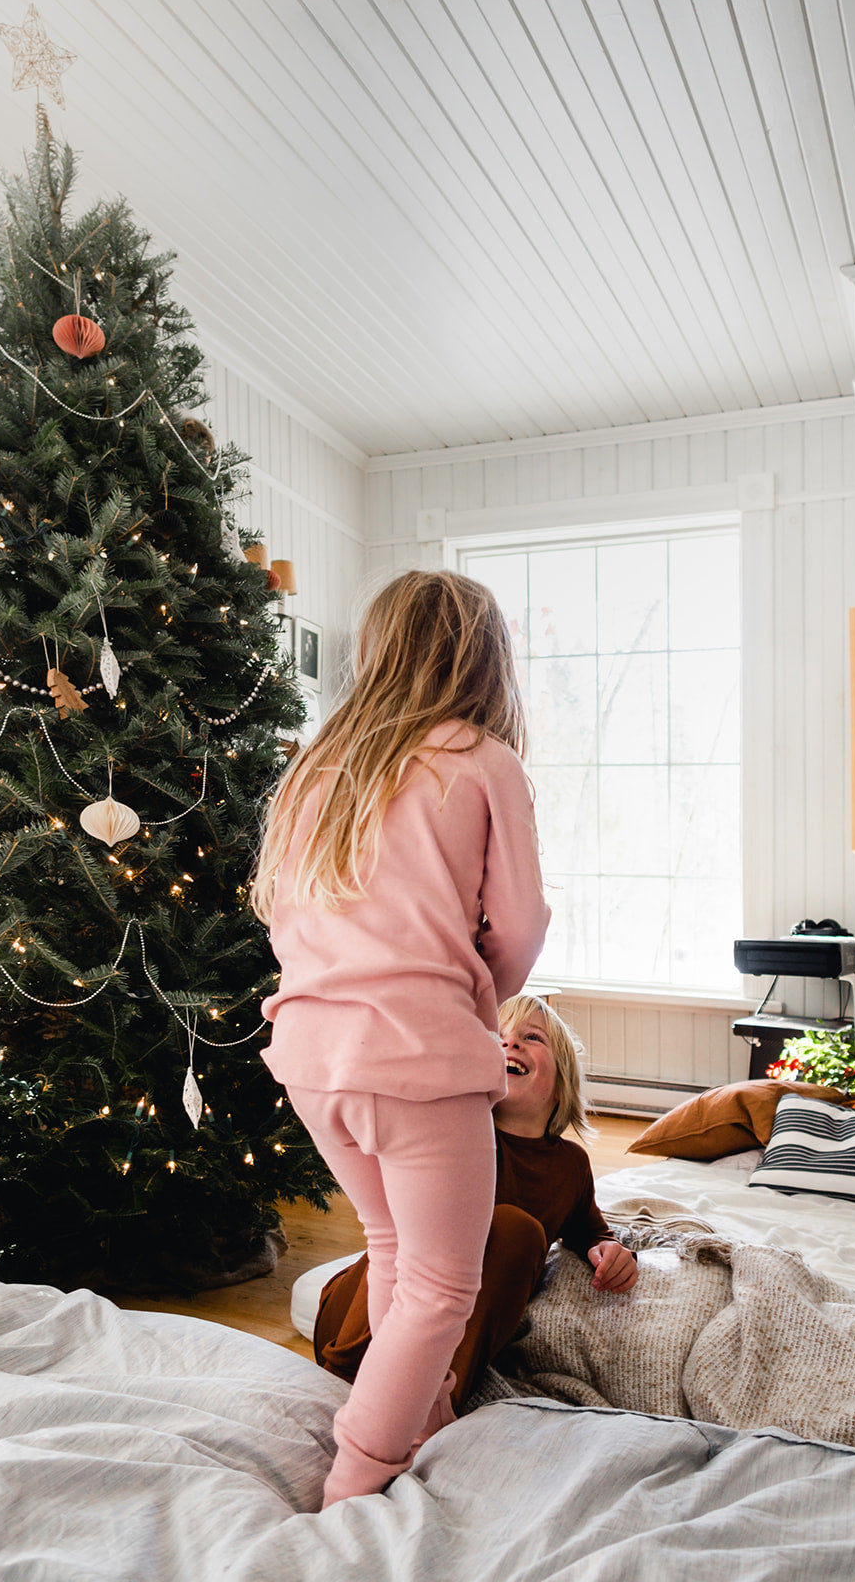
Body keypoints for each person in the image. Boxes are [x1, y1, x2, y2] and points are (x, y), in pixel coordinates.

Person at [253, 570, 550, 1507]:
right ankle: (358, 1476)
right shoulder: (483, 760)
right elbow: (519, 924)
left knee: (390, 1248)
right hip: (417, 1058)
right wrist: (479, 992)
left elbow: (287, 917)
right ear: (485, 658)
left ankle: (425, 1420)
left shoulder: (317, 766)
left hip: (310, 1053)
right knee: (441, 1287)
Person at [314, 994, 639, 1413]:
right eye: (497, 1036)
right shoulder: (455, 1132)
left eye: (532, 1037)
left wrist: (610, 1250)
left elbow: (591, 1230)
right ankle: (350, 1384)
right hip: (356, 1322)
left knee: (518, 1232)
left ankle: (433, 1407)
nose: (510, 1043)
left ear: (562, 1085)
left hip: (441, 1350)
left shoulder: (571, 1166)